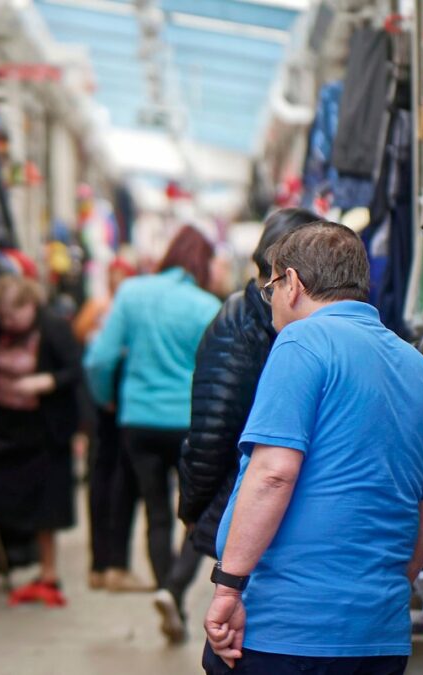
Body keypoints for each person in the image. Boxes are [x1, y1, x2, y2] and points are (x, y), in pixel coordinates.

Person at [203, 223, 423, 674]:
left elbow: (273, 473)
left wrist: (227, 587)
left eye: (271, 288)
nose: (271, 300)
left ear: (293, 282)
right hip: (378, 635)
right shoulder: (418, 367)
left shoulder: (302, 341)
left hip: (287, 628)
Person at [176, 208, 322, 621]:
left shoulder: (295, 329)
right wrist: (197, 509)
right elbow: (212, 432)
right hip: (249, 502)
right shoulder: (243, 324)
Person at [84, 225, 222, 641]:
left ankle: (167, 593)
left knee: (156, 512)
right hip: (188, 423)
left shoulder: (132, 294)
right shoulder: (206, 306)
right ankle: (174, 589)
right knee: (197, 514)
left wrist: (107, 398)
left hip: (138, 420)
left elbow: (99, 359)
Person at [0, 274, 82, 607]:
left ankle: (48, 572)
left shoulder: (53, 328)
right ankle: (14, 559)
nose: (8, 322)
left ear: (30, 305)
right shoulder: (2, 330)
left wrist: (44, 382)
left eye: (13, 315)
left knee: (45, 503)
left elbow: (75, 370)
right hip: (7, 426)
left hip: (45, 430)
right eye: (2, 316)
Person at [73, 258, 149, 593]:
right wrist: (105, 397)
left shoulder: (112, 308)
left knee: (104, 480)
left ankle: (104, 565)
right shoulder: (113, 308)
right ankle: (110, 564)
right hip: (115, 406)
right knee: (117, 482)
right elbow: (94, 357)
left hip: (107, 404)